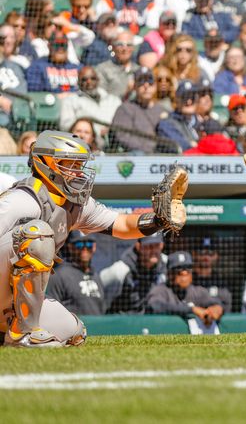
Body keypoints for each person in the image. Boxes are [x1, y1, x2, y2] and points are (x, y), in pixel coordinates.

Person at [0, 126, 185, 348]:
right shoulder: (22, 199)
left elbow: (120, 224)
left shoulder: (74, 204)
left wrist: (158, 220)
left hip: (11, 303)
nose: (78, 173)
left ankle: (7, 335)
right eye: (71, 165)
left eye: (80, 166)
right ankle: (24, 334)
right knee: (36, 235)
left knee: (72, 333)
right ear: (46, 164)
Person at [146, 251, 224, 332]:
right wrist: (191, 310)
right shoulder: (160, 290)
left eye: (187, 268)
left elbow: (216, 302)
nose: (184, 272)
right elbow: (154, 306)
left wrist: (217, 308)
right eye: (178, 269)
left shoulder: (197, 291)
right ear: (169, 274)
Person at [46, 231, 105, 316]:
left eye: (89, 244)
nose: (85, 248)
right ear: (70, 247)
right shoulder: (59, 276)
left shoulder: (96, 276)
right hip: (72, 329)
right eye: (79, 245)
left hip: (97, 329)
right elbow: (51, 312)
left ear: (94, 247)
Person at [110, 67, 168, 154]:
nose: (146, 85)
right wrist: (148, 149)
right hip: (137, 157)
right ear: (134, 86)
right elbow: (123, 137)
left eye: (150, 81)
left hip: (159, 157)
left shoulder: (162, 110)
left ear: (155, 86)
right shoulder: (125, 109)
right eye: (141, 81)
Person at [58, 66, 122, 144]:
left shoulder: (114, 101)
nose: (89, 82)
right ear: (78, 83)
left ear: (98, 80)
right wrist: (94, 129)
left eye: (93, 78)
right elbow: (65, 126)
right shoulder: (70, 101)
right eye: (84, 79)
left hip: (113, 144)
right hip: (84, 144)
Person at [191, 237, 233, 313]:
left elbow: (227, 306)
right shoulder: (188, 279)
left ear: (216, 256)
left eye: (210, 252)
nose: (206, 257)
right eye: (202, 252)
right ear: (194, 254)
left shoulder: (222, 282)